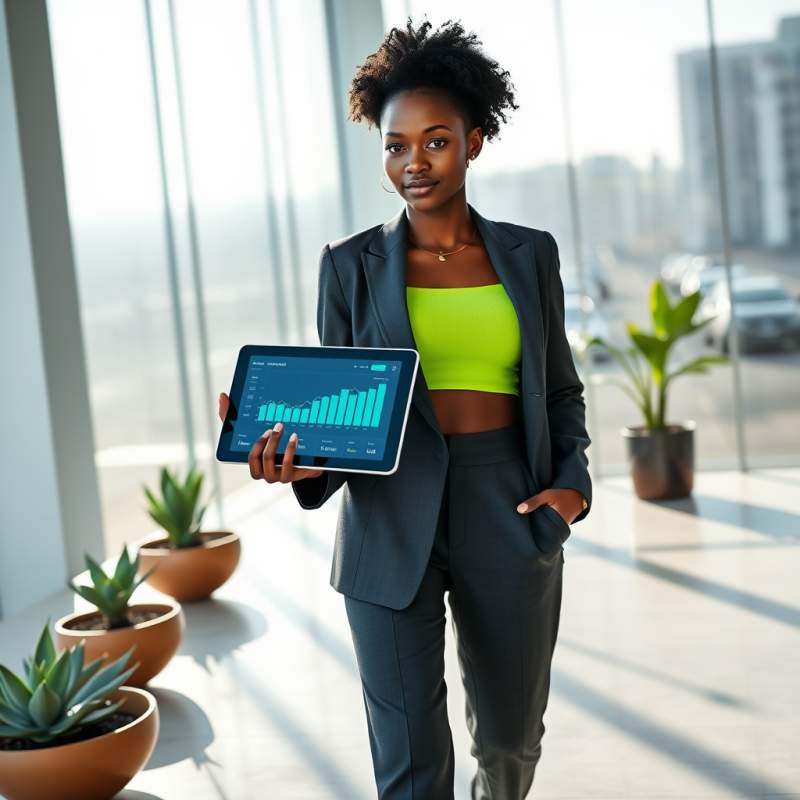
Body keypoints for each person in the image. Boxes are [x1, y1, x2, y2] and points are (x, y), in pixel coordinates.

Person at [219, 18, 591, 800]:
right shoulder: (347, 265)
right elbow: (343, 410)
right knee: (410, 760)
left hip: (509, 504)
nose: (413, 163)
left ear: (475, 141)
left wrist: (572, 488)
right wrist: (299, 458)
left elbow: (558, 388)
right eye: (395, 145)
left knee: (510, 739)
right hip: (388, 518)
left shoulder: (531, 254)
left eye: (436, 141)